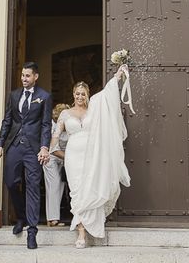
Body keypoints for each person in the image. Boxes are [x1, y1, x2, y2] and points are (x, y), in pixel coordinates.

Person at [49, 65, 131, 248]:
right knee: (77, 194)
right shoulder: (65, 114)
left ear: (87, 94)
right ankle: (81, 233)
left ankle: (88, 229)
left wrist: (117, 76)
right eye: (77, 94)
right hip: (73, 159)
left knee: (90, 191)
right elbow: (55, 140)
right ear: (73, 94)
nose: (80, 97)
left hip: (92, 158)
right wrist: (58, 153)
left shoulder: (94, 111)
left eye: (83, 94)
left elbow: (106, 96)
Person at [0, 62, 53, 249]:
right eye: (22, 75)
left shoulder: (44, 96)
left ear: (36, 76)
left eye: (27, 76)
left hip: (33, 148)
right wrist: (0, 143)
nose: (24, 79)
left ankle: (32, 231)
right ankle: (21, 216)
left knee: (33, 187)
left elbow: (45, 124)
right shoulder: (13, 95)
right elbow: (7, 120)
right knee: (11, 182)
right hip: (14, 146)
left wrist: (44, 147)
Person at [43, 103, 70, 226]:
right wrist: (70, 157)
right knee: (53, 186)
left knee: (61, 187)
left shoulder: (69, 127)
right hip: (52, 158)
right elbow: (53, 148)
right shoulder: (52, 126)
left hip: (64, 159)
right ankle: (52, 219)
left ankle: (54, 217)